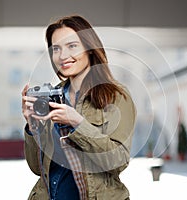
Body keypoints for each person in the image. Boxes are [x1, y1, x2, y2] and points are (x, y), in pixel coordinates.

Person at [21, 15, 136, 200]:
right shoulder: (51, 96)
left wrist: (77, 122)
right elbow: (37, 168)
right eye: (56, 48)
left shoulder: (115, 96)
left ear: (90, 48)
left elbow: (118, 161)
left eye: (72, 46)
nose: (63, 56)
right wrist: (32, 125)